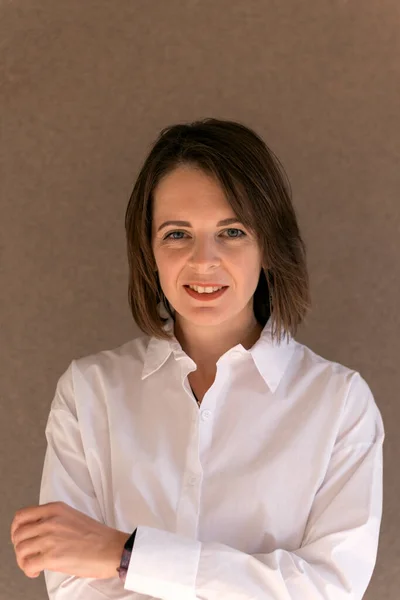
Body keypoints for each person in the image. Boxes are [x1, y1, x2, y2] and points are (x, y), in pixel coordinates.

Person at [12, 118, 384, 599]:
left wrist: (126, 556)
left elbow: (328, 589)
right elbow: (72, 585)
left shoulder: (338, 404)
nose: (203, 260)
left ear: (267, 245)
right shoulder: (89, 393)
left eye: (230, 231)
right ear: (149, 251)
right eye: (176, 234)